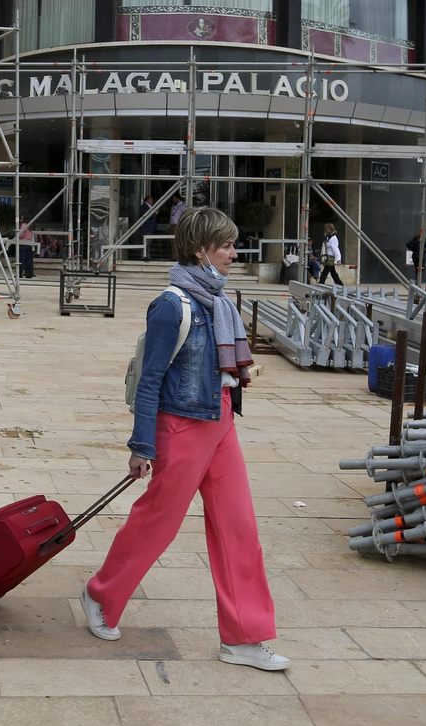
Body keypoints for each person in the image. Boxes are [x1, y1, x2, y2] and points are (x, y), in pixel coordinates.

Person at [80, 206, 289, 673]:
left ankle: (243, 638)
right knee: (157, 524)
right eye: (226, 246)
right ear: (200, 251)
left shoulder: (220, 301)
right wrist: (141, 446)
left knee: (239, 528)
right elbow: (149, 380)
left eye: (234, 245)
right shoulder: (171, 305)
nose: (234, 253)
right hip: (180, 427)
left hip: (220, 424)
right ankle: (101, 595)